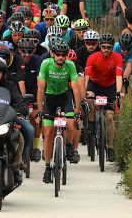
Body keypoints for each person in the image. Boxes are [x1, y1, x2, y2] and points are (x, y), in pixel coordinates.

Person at [37, 38, 81, 184]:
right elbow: (41, 88)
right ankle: (48, 167)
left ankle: (68, 146)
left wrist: (77, 110)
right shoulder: (45, 64)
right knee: (48, 133)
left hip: (64, 98)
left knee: (70, 123)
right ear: (52, 54)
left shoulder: (70, 65)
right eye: (58, 54)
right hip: (49, 99)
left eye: (64, 54)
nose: (61, 57)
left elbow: (75, 88)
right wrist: (40, 110)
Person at [84, 33, 123, 162]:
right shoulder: (92, 58)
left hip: (110, 87)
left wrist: (118, 92)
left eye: (109, 47)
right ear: (100, 46)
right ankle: (91, 124)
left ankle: (110, 147)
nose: (106, 50)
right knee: (90, 100)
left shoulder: (117, 57)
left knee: (110, 118)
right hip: (94, 85)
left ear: (113, 47)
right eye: (104, 47)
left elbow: (118, 76)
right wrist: (84, 92)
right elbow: (87, 77)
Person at [18, 38, 44, 162]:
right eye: (23, 51)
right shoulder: (17, 61)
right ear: (19, 50)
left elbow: (41, 82)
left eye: (30, 51)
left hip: (34, 94)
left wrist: (39, 102)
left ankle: (36, 147)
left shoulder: (38, 60)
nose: (27, 54)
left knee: (36, 118)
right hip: (19, 96)